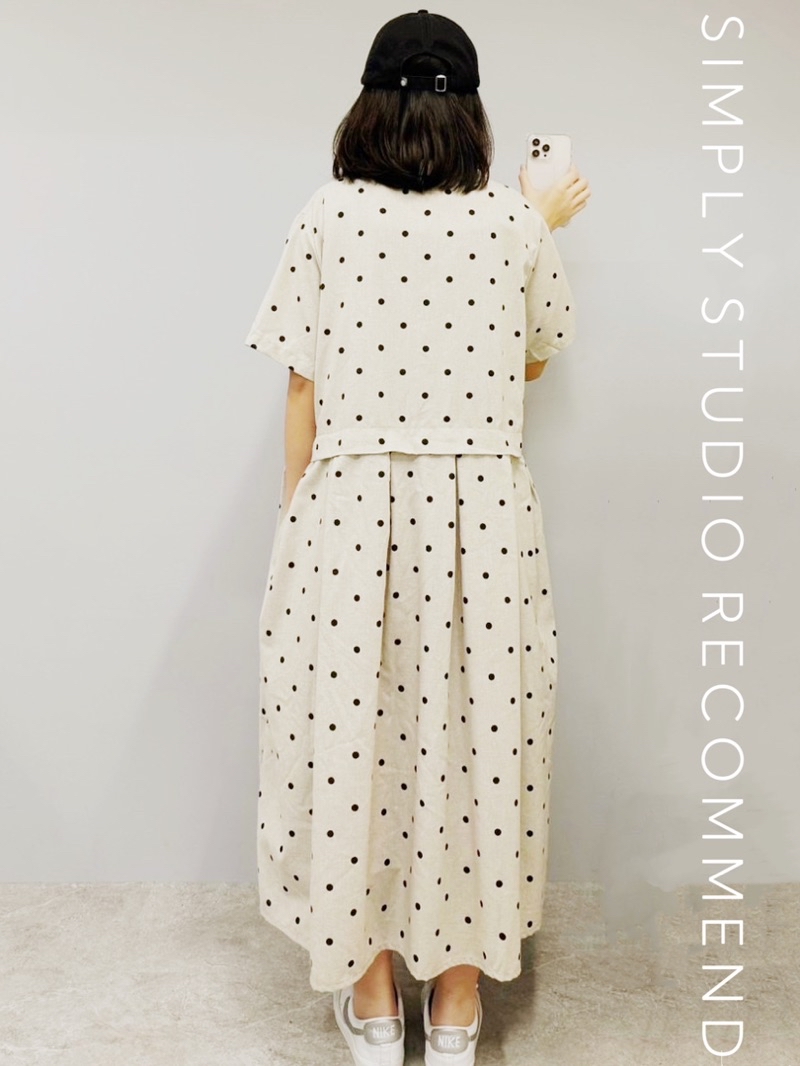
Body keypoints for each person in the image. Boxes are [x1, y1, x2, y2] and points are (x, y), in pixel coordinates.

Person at [244, 11, 590, 1065]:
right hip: (481, 522)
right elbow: (531, 360)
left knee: (355, 739)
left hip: (350, 514)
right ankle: (456, 1007)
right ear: (469, 114)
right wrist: (539, 219)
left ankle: (371, 998)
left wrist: (294, 519)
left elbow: (301, 386)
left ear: (368, 108)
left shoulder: (325, 215)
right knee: (479, 739)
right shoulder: (513, 227)